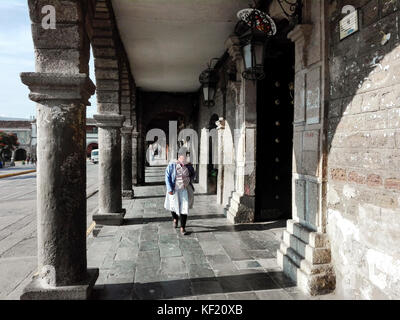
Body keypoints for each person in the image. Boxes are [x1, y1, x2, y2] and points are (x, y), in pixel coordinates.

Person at [164, 152, 195, 235]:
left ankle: (182, 227)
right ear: (179, 157)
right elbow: (167, 177)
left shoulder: (188, 166)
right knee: (173, 205)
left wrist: (188, 180)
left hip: (184, 190)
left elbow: (193, 175)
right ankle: (175, 219)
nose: (184, 158)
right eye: (183, 157)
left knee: (184, 207)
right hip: (174, 189)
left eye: (186, 157)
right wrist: (170, 188)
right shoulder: (172, 165)